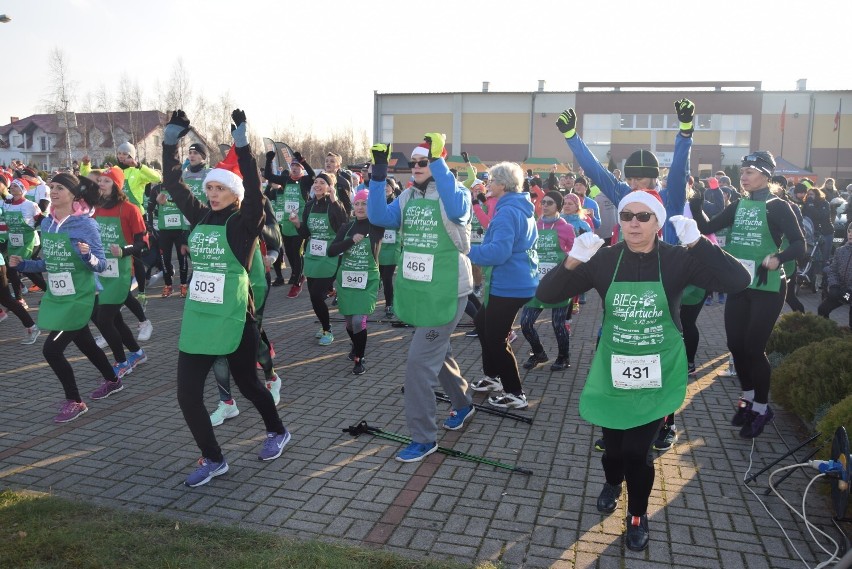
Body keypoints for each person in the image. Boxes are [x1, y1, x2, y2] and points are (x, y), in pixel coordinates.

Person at [537, 190, 750, 552]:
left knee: (638, 452)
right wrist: (573, 260)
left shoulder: (678, 259)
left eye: (644, 216)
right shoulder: (604, 260)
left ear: (658, 222)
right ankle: (612, 482)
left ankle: (637, 514)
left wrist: (699, 243)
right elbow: (546, 294)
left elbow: (738, 280)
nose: (634, 223)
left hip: (659, 367)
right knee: (613, 451)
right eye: (627, 216)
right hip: (614, 366)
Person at [162, 109, 291, 487]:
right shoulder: (201, 217)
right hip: (200, 317)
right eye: (210, 189)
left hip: (236, 318)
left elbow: (253, 185)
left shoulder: (244, 222)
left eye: (220, 189)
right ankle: (214, 458)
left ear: (235, 193)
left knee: (249, 385)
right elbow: (173, 183)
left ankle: (277, 431)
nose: (213, 194)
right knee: (187, 396)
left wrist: (243, 145)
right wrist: (171, 143)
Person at [367, 135, 475, 462]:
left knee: (418, 364)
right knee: (436, 353)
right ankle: (464, 404)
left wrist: (439, 159)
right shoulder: (407, 197)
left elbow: (456, 211)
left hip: (448, 291)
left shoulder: (457, 193)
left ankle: (424, 438)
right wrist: (378, 175)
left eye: (423, 162)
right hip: (422, 291)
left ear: (437, 163)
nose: (415, 167)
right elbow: (378, 218)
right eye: (412, 163)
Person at [690, 151, 805, 438]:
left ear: (766, 175)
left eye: (750, 172)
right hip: (740, 284)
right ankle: (749, 399)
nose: (744, 176)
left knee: (754, 349)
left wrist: (778, 257)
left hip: (768, 287)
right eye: (742, 171)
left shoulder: (779, 207)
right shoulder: (738, 204)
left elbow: (800, 245)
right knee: (736, 345)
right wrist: (695, 202)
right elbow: (706, 227)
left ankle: (763, 408)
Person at [9, 173, 121, 423]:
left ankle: (75, 401)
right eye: (51, 187)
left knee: (52, 349)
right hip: (60, 293)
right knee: (85, 342)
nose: (54, 192)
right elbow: (51, 262)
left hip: (81, 295)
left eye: (60, 188)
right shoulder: (48, 224)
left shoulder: (86, 224)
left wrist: (87, 255)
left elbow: (101, 265)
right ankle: (113, 380)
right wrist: (23, 264)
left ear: (74, 194)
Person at [465, 162, 538, 409]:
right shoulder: (517, 206)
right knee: (481, 323)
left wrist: (466, 251)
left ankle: (515, 392)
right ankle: (492, 377)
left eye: (491, 180)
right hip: (512, 281)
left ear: (503, 184)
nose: (487, 184)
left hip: (509, 284)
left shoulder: (508, 211)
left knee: (496, 338)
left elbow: (498, 253)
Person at [91, 166, 149, 378]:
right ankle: (137, 352)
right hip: (100, 270)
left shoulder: (130, 209)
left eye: (106, 181)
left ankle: (122, 361)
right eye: (100, 181)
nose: (101, 185)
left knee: (104, 319)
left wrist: (124, 250)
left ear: (117, 185)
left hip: (121, 272)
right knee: (114, 320)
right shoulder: (95, 208)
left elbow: (142, 243)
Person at [328, 189, 383, 374]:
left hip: (367, 279)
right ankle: (355, 345)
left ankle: (360, 357)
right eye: (357, 203)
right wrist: (350, 241)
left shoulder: (377, 226)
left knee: (359, 321)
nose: (360, 207)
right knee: (350, 323)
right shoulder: (347, 227)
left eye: (364, 204)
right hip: (346, 279)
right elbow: (331, 251)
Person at [291, 171, 349, 345]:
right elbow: (306, 233)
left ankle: (327, 329)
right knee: (313, 296)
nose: (317, 185)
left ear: (329, 187)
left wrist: (334, 199)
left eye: (322, 182)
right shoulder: (309, 206)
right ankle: (325, 324)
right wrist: (297, 224)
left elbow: (344, 223)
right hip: (312, 256)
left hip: (330, 255)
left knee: (317, 295)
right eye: (315, 182)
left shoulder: (334, 204)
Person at [520, 191, 575, 371]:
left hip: (559, 283)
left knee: (558, 324)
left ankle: (563, 357)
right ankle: (539, 353)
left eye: (549, 203)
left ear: (558, 206)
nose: (544, 205)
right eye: (543, 202)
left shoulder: (566, 228)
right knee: (526, 323)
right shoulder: (535, 225)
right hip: (536, 282)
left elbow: (575, 255)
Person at [265, 151, 315, 297]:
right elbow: (268, 176)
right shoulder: (286, 180)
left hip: (299, 224)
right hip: (287, 223)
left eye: (297, 166)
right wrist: (269, 160)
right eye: (292, 166)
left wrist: (303, 161)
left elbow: (313, 176)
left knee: (297, 252)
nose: (294, 168)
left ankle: (297, 282)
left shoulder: (305, 181)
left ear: (301, 169)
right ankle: (296, 273)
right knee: (290, 253)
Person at [819, 223, 852, 327]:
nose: (850, 234)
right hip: (840, 290)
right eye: (849, 231)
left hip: (849, 292)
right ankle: (828, 332)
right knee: (822, 309)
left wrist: (849, 291)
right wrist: (834, 285)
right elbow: (833, 270)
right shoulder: (840, 251)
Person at [378, 178, 401, 318]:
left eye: (388, 185)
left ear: (393, 188)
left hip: (393, 246)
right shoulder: (376, 202)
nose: (385, 187)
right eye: (383, 185)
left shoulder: (398, 203)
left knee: (387, 277)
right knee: (381, 275)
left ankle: (389, 304)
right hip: (379, 246)